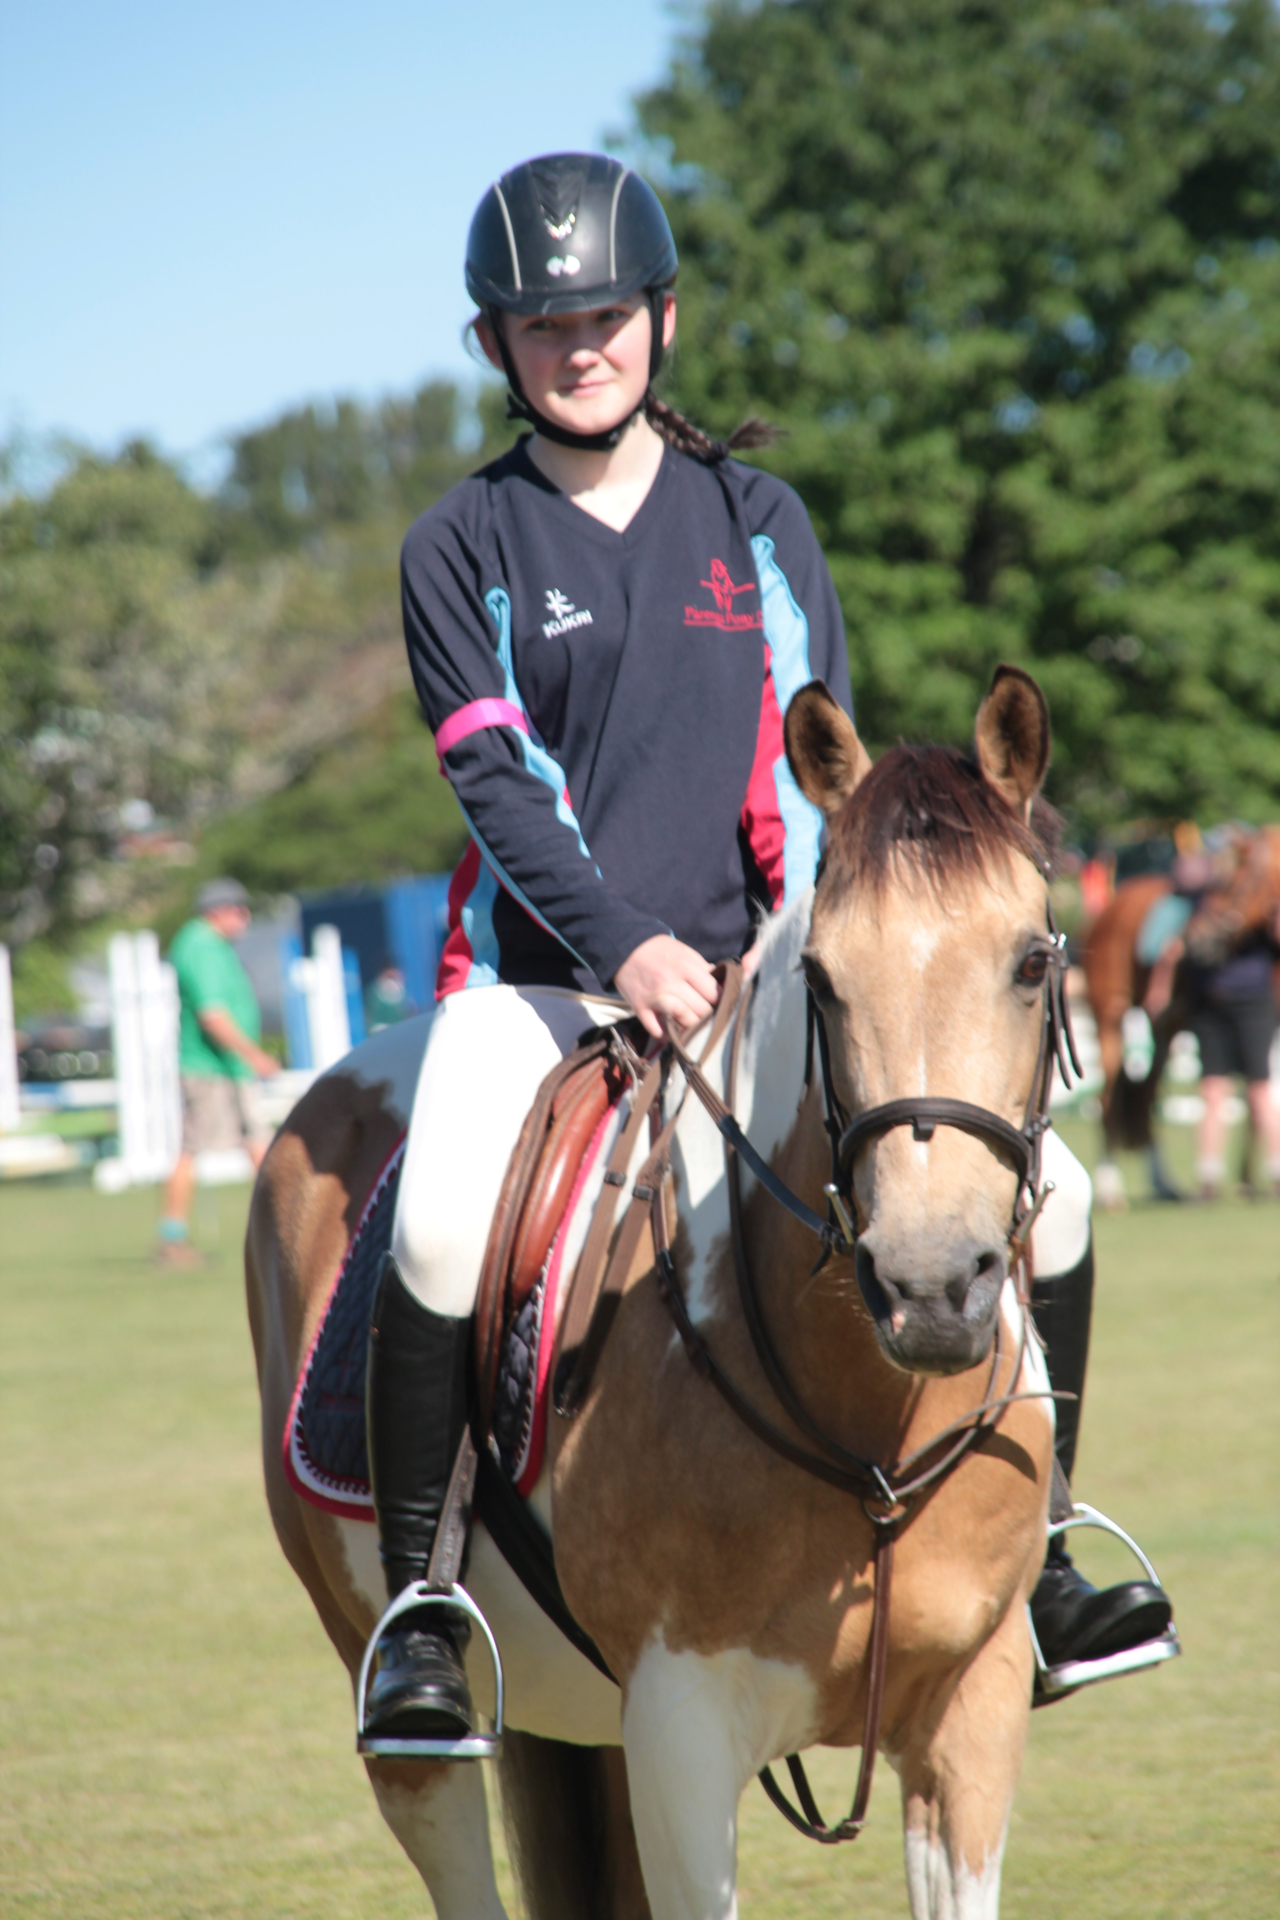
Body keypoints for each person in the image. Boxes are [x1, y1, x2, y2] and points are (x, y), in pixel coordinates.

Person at [361, 151, 1171, 1748]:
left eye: (605, 315)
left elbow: (817, 770)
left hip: (769, 972)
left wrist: (793, 950)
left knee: (1060, 1192)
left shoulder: (756, 519)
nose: (579, 346)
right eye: (543, 324)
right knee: (443, 1212)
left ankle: (1053, 1549)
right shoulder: (460, 545)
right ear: (494, 344)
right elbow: (498, 780)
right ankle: (424, 1611)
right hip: (543, 980)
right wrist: (628, 949)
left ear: (661, 319)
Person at [158, 878, 279, 1267]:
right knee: (191, 1150)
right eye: (240, 910)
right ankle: (172, 1238)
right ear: (219, 911)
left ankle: (281, 1228)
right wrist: (255, 1055)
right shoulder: (200, 946)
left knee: (258, 1142)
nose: (245, 918)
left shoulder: (213, 946)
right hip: (210, 1067)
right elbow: (212, 1015)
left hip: (228, 1065)